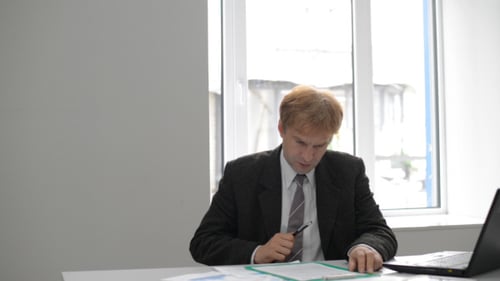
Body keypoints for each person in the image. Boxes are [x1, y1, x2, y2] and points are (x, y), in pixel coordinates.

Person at [190, 85, 397, 273]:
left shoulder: (348, 171)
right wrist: (257, 252)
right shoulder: (243, 174)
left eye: (319, 146)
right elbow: (203, 243)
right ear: (281, 129)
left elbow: (380, 232)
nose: (308, 156)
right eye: (300, 142)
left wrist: (365, 247)